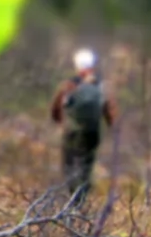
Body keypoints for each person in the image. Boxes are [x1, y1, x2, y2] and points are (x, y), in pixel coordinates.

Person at [50, 48, 117, 205]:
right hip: (92, 133)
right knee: (86, 166)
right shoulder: (102, 86)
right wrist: (110, 127)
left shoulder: (69, 85)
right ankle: (82, 200)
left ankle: (72, 199)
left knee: (69, 165)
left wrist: (62, 123)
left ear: (77, 65)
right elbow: (111, 113)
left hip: (71, 133)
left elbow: (55, 111)